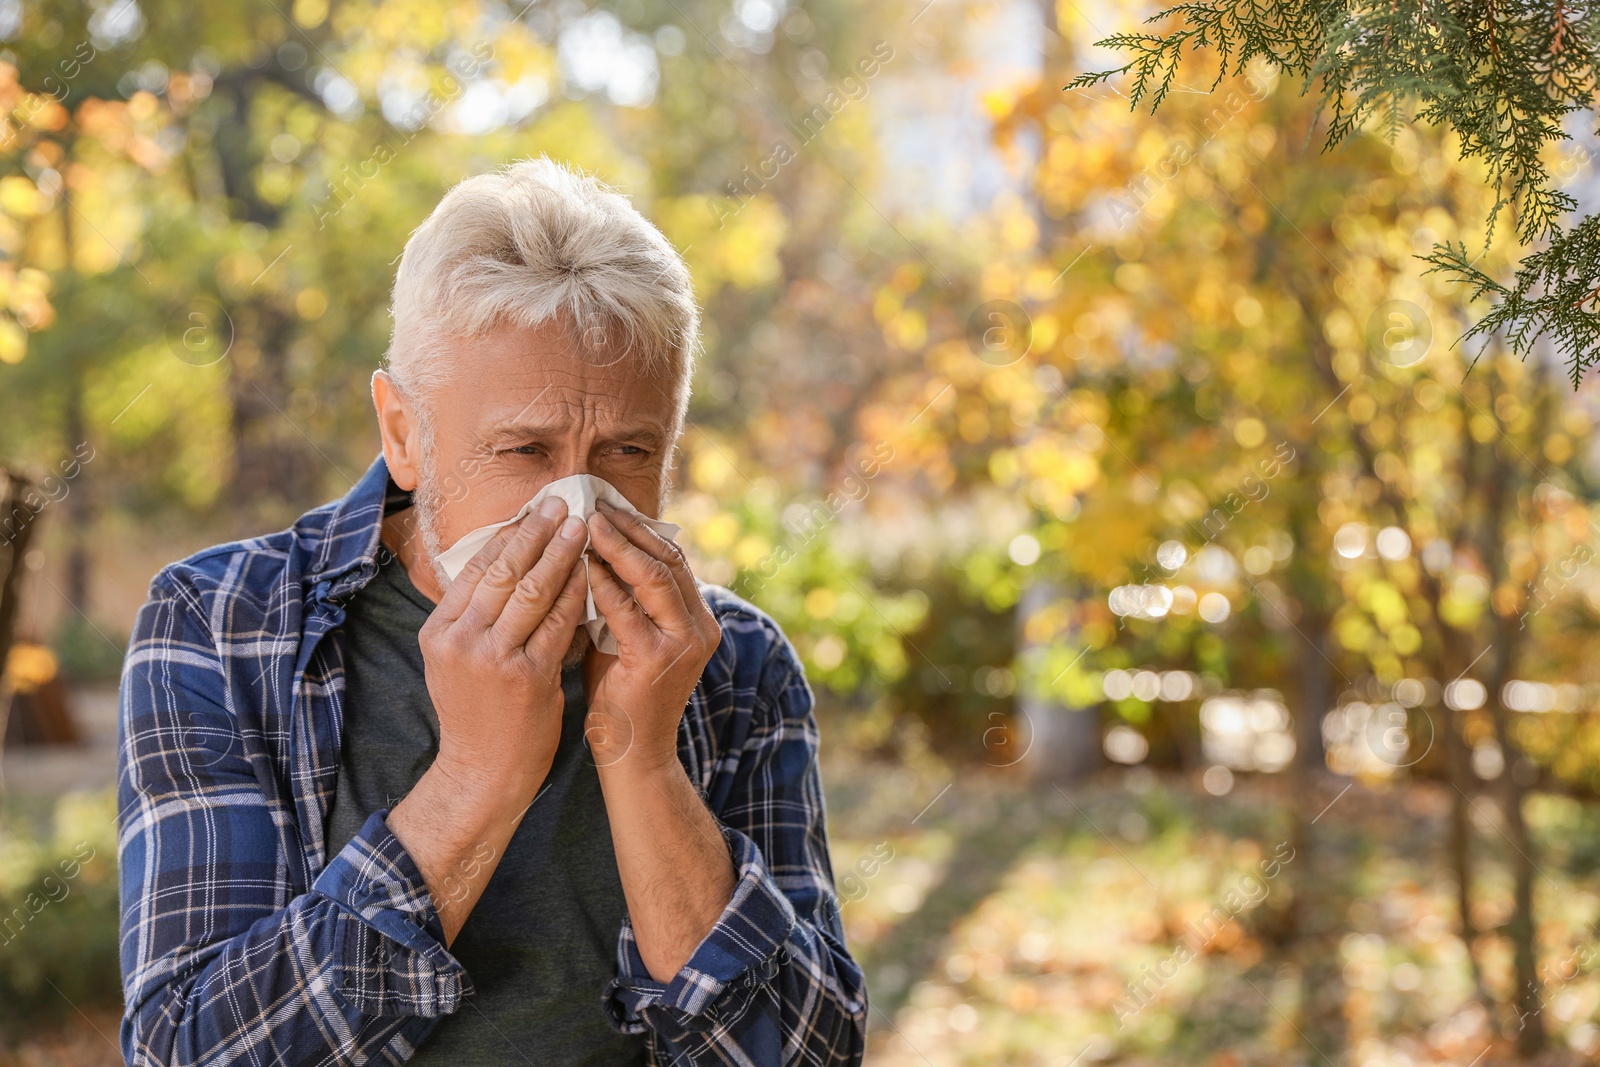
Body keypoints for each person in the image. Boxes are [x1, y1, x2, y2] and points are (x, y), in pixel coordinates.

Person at [116, 157, 867, 1066]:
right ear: (403, 434)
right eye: (523, 448)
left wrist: (647, 761)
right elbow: (190, 1050)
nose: (577, 503)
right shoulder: (220, 626)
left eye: (628, 448)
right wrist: (475, 777)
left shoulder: (737, 660)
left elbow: (809, 1053)